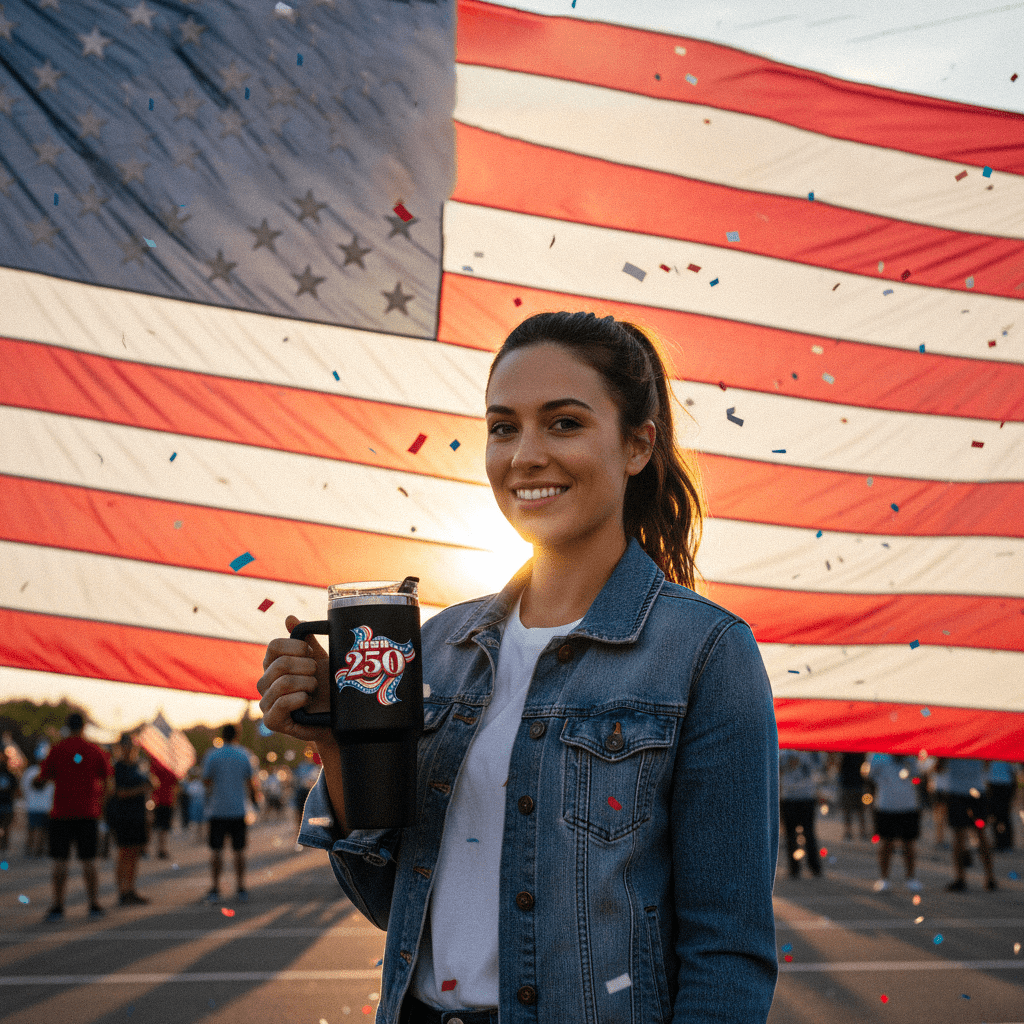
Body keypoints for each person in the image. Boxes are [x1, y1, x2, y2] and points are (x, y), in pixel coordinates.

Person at [259, 311, 780, 1024]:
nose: (525, 454)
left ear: (636, 445)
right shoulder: (439, 643)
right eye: (503, 427)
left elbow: (727, 954)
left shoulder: (706, 652)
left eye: (563, 423)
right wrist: (334, 740)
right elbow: (397, 904)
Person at [33, 712, 113, 922]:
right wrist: (100, 803)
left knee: (60, 862)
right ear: (84, 727)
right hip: (87, 813)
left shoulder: (57, 749)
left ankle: (58, 906)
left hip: (61, 813)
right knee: (89, 861)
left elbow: (42, 778)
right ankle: (94, 904)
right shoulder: (95, 750)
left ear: (67, 727)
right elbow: (109, 783)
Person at [201, 724, 260, 903]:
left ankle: (215, 887)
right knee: (239, 851)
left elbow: (206, 781)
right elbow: (251, 783)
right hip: (238, 809)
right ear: (238, 735)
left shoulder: (212, 755)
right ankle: (241, 887)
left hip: (218, 810)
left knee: (216, 851)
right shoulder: (244, 755)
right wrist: (255, 803)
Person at [866, 753, 922, 892]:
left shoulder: (911, 754)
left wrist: (907, 761)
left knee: (909, 843)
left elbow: (918, 776)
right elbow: (870, 776)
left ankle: (911, 878)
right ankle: (884, 878)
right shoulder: (878, 755)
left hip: (908, 805)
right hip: (886, 805)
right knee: (886, 842)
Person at [111, 733, 156, 905]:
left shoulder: (139, 766)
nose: (129, 750)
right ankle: (122, 890)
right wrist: (141, 789)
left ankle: (130, 889)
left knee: (135, 853)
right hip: (123, 815)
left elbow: (150, 784)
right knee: (124, 853)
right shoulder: (118, 768)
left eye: (132, 746)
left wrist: (150, 784)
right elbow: (119, 793)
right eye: (126, 746)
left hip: (139, 815)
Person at [945, 757, 996, 892]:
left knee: (960, 837)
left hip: (958, 793)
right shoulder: (979, 740)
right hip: (976, 792)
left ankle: (960, 878)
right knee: (980, 835)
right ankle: (989, 877)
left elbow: (939, 767)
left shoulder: (950, 743)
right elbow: (987, 765)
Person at [779, 750, 824, 878]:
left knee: (808, 833)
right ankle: (795, 868)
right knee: (791, 834)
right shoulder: (784, 751)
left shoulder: (811, 750)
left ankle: (813, 866)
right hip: (790, 797)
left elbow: (819, 767)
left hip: (806, 796)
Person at [22, 748, 54, 858]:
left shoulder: (30, 771)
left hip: (32, 806)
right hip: (46, 806)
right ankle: (39, 849)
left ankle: (29, 848)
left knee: (32, 828)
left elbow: (24, 788)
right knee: (43, 830)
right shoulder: (49, 771)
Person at [149, 757, 179, 859]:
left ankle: (148, 848)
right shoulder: (172, 765)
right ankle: (162, 849)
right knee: (164, 827)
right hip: (167, 800)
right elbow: (175, 785)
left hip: (157, 799)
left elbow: (152, 782)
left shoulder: (155, 764)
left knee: (154, 824)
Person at [986, 760, 1017, 851]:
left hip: (1003, 784)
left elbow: (1013, 770)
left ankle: (1005, 842)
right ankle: (1000, 840)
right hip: (996, 783)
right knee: (995, 815)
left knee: (1003, 815)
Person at [838, 751, 868, 841]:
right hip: (854, 784)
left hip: (852, 784)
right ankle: (859, 832)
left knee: (851, 810)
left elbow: (839, 767)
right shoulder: (860, 752)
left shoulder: (846, 752)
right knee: (857, 810)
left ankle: (851, 832)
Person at [0, 748, 20, 853]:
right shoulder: (11, 775)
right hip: (7, 805)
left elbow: (16, 791)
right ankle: (4, 845)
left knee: (6, 827)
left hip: (7, 805)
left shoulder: (11, 776)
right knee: (6, 827)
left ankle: (4, 845)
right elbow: (16, 791)